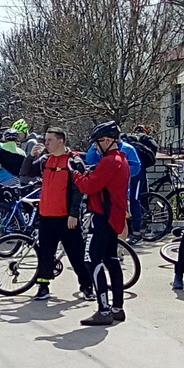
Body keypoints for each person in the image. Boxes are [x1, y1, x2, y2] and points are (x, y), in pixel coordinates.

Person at [76, 122, 130, 327]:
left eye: (97, 143)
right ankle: (117, 308)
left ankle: (104, 309)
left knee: (91, 259)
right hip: (113, 216)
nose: (95, 148)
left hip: (101, 216)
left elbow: (89, 187)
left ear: (107, 141)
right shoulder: (120, 160)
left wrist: (76, 174)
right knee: (111, 259)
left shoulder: (109, 161)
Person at [32, 129, 95, 300]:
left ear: (61, 141)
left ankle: (87, 286)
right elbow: (25, 173)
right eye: (45, 140)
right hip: (46, 215)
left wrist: (74, 214)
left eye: (49, 140)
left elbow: (78, 191)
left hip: (66, 217)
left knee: (76, 254)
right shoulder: (44, 160)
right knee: (45, 254)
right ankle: (43, 287)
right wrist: (31, 157)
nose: (46, 143)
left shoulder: (73, 162)